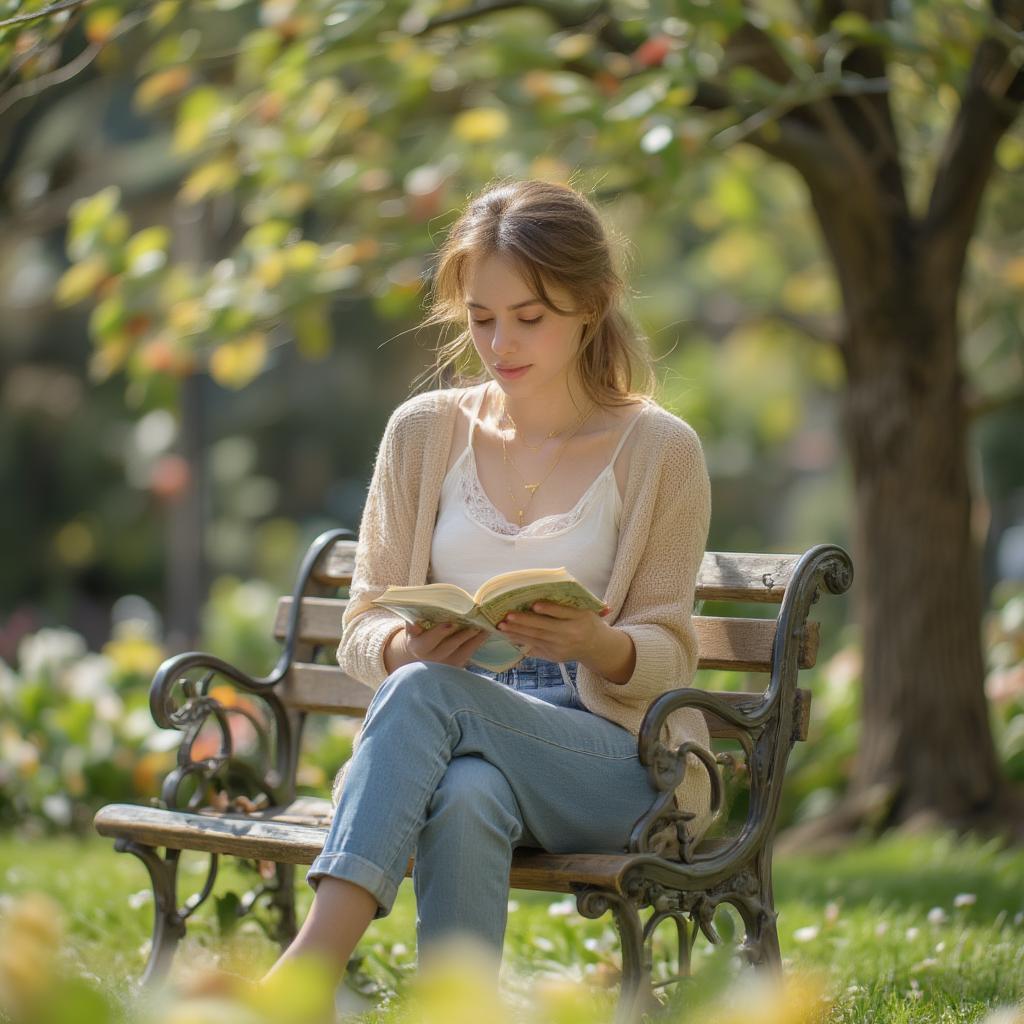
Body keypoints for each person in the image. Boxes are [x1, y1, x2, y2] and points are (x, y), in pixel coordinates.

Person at [262, 178, 713, 990]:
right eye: (480, 318)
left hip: (616, 755)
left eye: (528, 318)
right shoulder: (423, 432)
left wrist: (598, 643)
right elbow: (363, 622)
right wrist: (404, 644)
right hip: (450, 727)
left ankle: (301, 978)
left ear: (592, 305)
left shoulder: (661, 450)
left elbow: (673, 654)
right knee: (466, 794)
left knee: (430, 695)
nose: (500, 342)